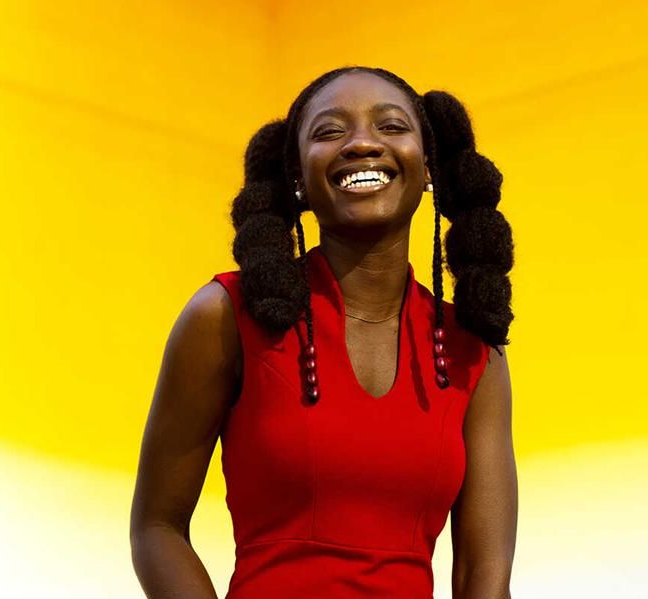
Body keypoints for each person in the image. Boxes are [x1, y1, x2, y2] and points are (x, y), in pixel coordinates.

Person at [130, 66, 518, 599]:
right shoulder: (224, 317)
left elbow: (484, 576)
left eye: (391, 126)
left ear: (428, 167)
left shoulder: (474, 351)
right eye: (330, 131)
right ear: (297, 178)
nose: (363, 143)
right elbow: (157, 527)